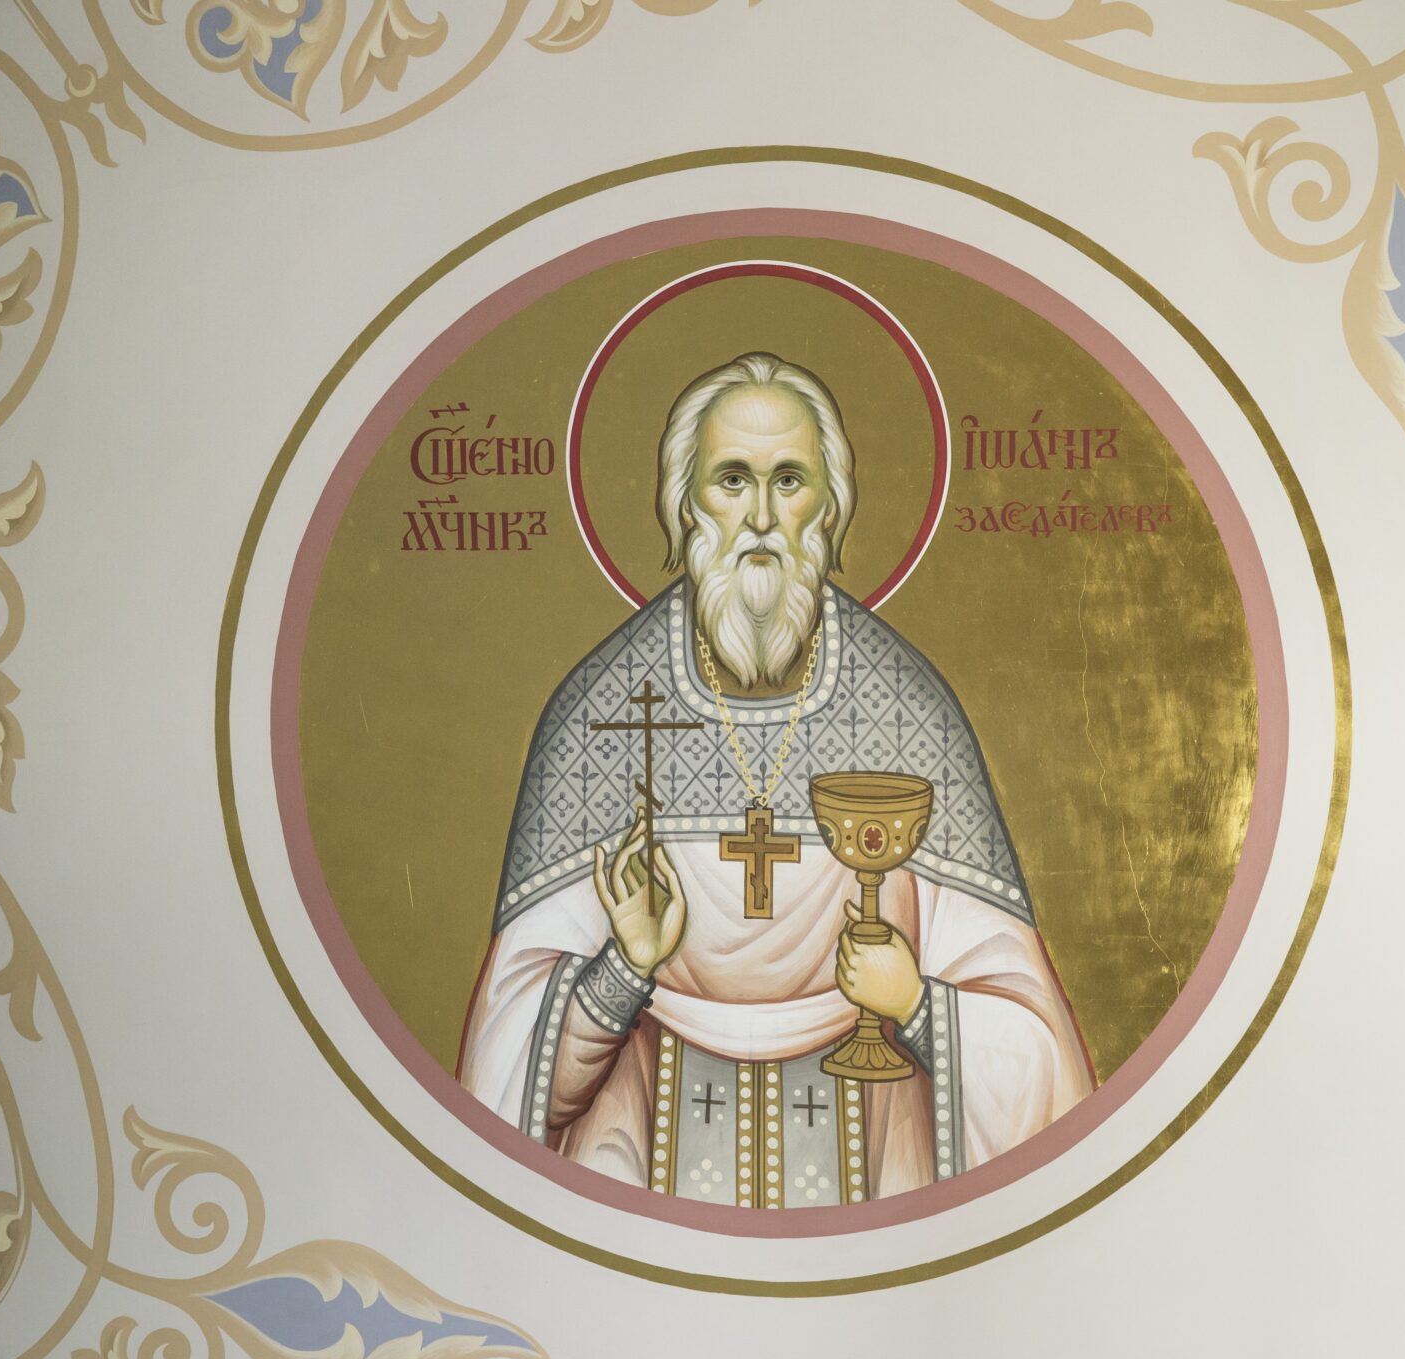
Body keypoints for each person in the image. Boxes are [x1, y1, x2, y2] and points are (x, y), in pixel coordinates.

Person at [458, 352, 1092, 1208]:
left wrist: (917, 1004)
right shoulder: (601, 714)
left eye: (788, 480)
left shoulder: (904, 709)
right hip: (641, 1194)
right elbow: (507, 1087)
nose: (759, 516)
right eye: (732, 480)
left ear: (829, 505)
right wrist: (623, 969)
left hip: (875, 1190)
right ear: (686, 504)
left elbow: (1034, 1062)